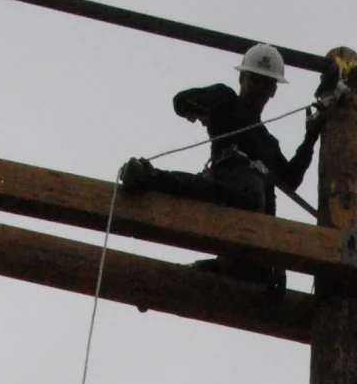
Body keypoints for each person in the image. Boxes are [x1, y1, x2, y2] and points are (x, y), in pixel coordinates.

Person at [118, 42, 323, 295]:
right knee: (244, 193)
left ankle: (210, 270)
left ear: (273, 91)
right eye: (255, 80)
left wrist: (311, 138)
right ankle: (147, 176)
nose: (260, 88)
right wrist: (197, 107)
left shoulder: (267, 143)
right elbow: (181, 101)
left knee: (265, 274)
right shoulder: (225, 99)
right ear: (242, 78)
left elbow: (290, 180)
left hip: (255, 207)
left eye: (267, 84)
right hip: (231, 178)